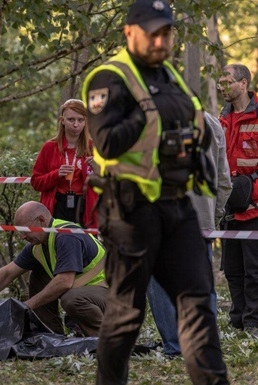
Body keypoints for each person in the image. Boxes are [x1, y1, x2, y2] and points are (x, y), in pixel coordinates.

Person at [81, 0, 229, 383]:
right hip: (131, 212)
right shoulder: (108, 78)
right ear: (130, 32)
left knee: (199, 306)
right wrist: (148, 116)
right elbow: (107, 143)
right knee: (126, 314)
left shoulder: (170, 76)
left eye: (167, 32)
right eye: (152, 32)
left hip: (178, 207)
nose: (161, 40)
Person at [147, 112, 232, 357]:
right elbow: (224, 179)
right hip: (200, 219)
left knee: (159, 284)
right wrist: (212, 218)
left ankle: (175, 346)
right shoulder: (211, 122)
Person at [0, 201, 107, 337]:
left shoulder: (66, 235)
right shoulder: (38, 245)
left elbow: (64, 282)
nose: (22, 236)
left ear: (41, 220)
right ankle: (52, 334)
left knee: (71, 299)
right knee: (38, 274)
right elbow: (8, 273)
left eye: (25, 230)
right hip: (92, 293)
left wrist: (27, 305)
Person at [218, 63, 258, 337]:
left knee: (254, 271)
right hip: (228, 208)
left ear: (243, 84)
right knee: (232, 269)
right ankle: (237, 320)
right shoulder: (220, 119)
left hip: (254, 208)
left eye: (228, 81)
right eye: (221, 82)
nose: (223, 86)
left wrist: (250, 195)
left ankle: (254, 322)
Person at [30, 99, 98, 227]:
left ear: (85, 122)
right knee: (58, 244)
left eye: (80, 120)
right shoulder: (49, 148)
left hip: (85, 208)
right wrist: (56, 174)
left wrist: (99, 170)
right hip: (56, 207)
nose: (76, 124)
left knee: (82, 245)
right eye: (71, 120)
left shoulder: (94, 148)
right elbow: (36, 182)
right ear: (62, 121)